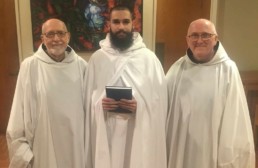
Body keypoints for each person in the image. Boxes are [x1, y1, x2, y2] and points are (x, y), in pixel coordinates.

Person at [84, 5, 167, 168]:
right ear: (109, 25)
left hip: (137, 132)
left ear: (133, 24)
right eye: (116, 22)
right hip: (107, 131)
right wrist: (100, 104)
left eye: (125, 21)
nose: (121, 27)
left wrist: (140, 106)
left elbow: (161, 104)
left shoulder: (149, 60)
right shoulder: (97, 59)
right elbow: (86, 102)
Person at [166, 18, 255, 168]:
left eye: (205, 35)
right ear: (187, 40)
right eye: (194, 35)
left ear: (215, 39)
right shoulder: (177, 69)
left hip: (212, 149)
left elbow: (235, 117)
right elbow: (160, 101)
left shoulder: (228, 69)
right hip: (181, 146)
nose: (199, 40)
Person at [6, 18, 88, 168]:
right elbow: (19, 109)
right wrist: (22, 152)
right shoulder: (30, 66)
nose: (56, 39)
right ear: (42, 38)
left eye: (60, 33)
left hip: (75, 144)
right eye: (50, 34)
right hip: (43, 145)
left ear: (68, 36)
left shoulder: (81, 66)